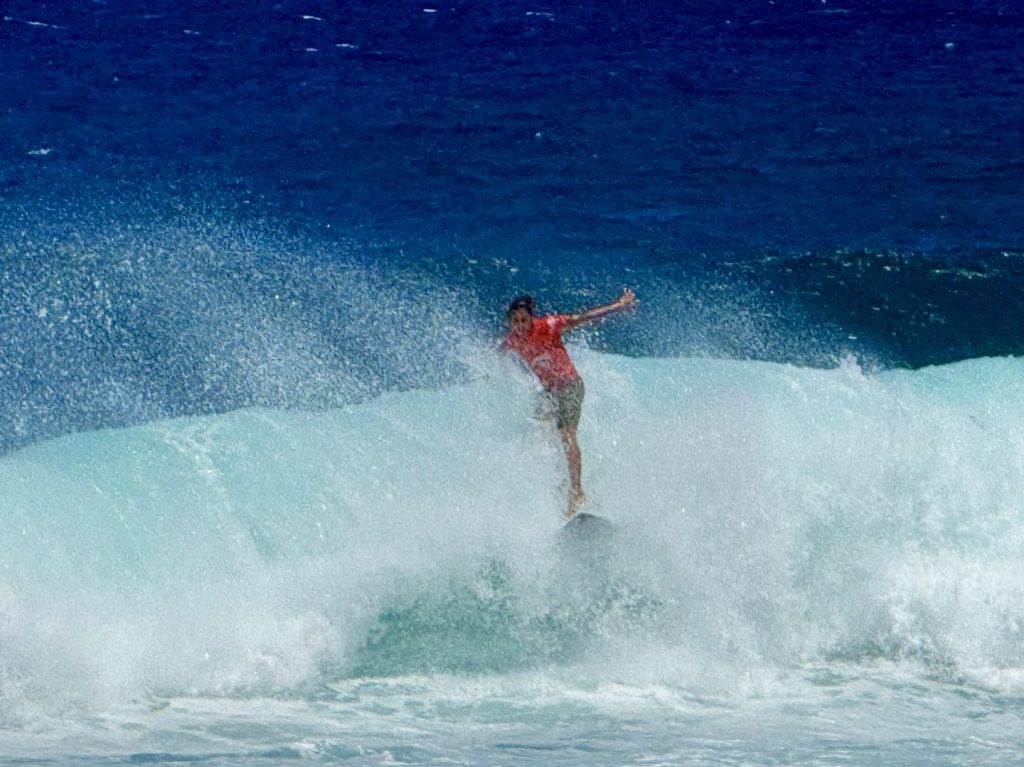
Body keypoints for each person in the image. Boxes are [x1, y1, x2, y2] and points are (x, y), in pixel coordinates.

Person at [502, 288, 637, 519]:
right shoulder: (512, 340)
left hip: (570, 386)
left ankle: (577, 492)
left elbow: (584, 318)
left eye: (524, 320)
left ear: (532, 318)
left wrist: (618, 306)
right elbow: (496, 355)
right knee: (536, 433)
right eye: (516, 321)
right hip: (549, 393)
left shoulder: (549, 326)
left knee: (566, 434)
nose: (520, 325)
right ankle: (555, 484)